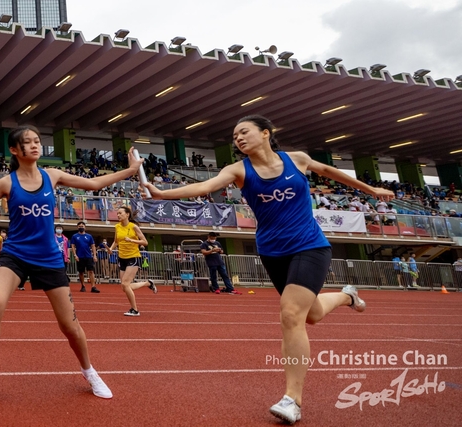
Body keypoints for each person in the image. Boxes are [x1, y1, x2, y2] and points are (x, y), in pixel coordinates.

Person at [143, 114, 394, 424]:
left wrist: (371, 190)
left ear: (265, 133)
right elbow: (205, 186)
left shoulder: (297, 160)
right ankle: (347, 296)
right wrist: (161, 194)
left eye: (244, 132)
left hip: (310, 245)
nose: (238, 138)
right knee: (311, 314)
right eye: (235, 136)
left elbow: (329, 170)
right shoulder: (238, 170)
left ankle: (293, 400)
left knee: (290, 314)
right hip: (273, 252)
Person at [0, 125, 143, 398]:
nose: (35, 145)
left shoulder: (53, 175)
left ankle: (89, 371)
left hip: (48, 258)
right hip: (15, 254)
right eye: (28, 142)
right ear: (14, 149)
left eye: (37, 141)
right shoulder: (7, 183)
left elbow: (93, 184)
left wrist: (130, 172)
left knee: (69, 326)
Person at [107, 206, 157, 316]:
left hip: (133, 257)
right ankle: (147, 283)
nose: (118, 215)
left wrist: (132, 240)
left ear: (127, 215)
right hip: (121, 257)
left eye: (120, 213)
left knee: (125, 284)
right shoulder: (117, 227)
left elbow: (145, 242)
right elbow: (116, 241)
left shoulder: (133, 227)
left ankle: (135, 310)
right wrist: (111, 249)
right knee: (124, 287)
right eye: (117, 214)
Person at [70, 221, 100, 293]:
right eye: (79, 226)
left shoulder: (89, 236)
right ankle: (83, 286)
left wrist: (94, 255)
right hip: (80, 256)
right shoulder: (75, 236)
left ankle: (93, 286)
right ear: (77, 227)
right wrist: (75, 255)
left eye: (82, 226)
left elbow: (93, 246)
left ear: (85, 227)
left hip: (88, 256)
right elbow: (73, 246)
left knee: (91, 271)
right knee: (81, 272)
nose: (81, 227)